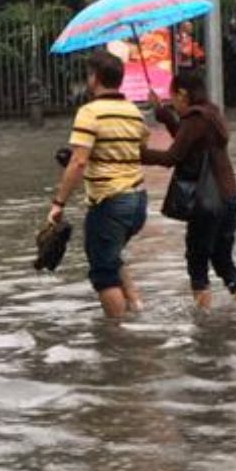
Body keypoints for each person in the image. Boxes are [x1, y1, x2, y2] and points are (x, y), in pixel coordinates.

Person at [47, 49, 150, 320]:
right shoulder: (135, 112)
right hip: (138, 201)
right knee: (112, 255)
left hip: (110, 201)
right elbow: (137, 149)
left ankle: (118, 339)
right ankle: (137, 307)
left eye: (89, 74)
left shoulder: (89, 112)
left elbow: (79, 162)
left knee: (103, 272)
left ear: (95, 78)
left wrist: (58, 203)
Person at [144, 72, 236, 309]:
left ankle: (204, 322)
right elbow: (187, 140)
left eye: (173, 97)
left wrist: (136, 154)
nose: (173, 102)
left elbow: (173, 156)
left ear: (183, 94)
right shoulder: (211, 114)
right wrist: (164, 114)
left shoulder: (195, 120)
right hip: (229, 196)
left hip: (207, 201)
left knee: (197, 262)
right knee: (223, 260)